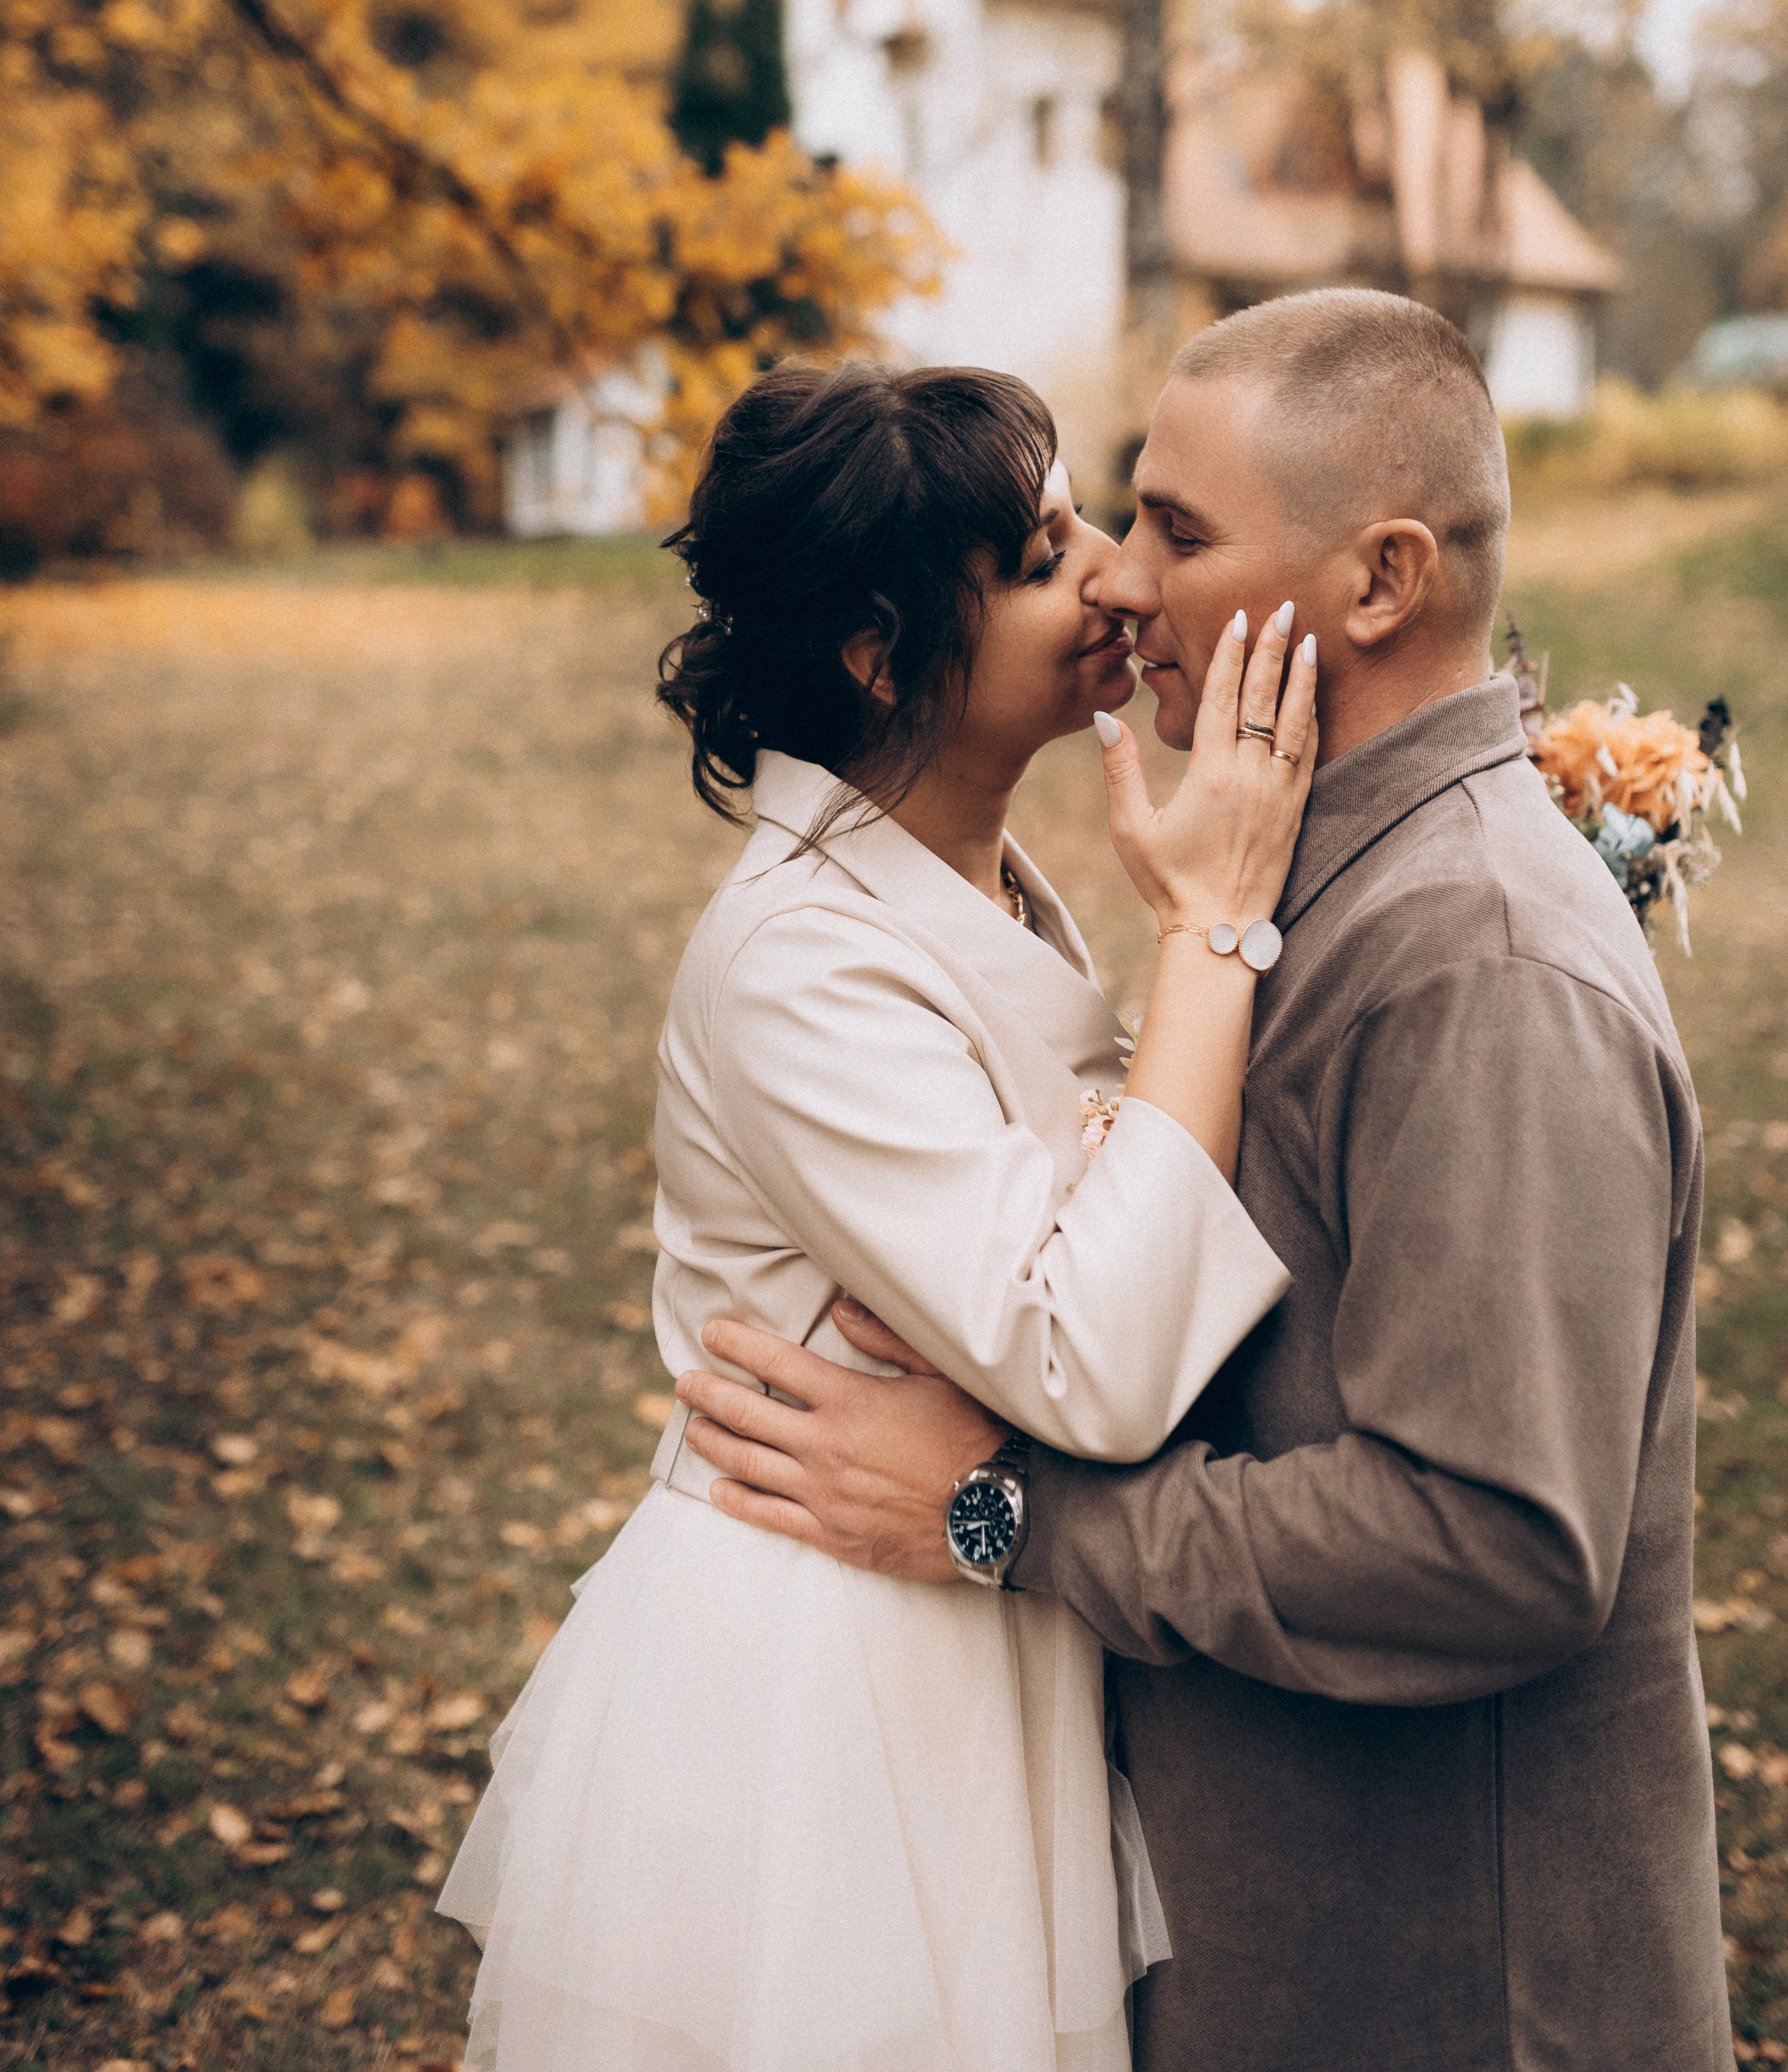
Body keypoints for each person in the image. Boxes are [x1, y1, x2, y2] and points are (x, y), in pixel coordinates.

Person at [677, 294, 1736, 2072]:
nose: (1122, 578)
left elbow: (1489, 1542)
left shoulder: (1475, 960)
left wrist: (1004, 1513)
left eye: (1173, 530)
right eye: (1099, 525)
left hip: (1451, 1988)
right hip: (1288, 1926)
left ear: (1378, 581)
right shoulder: (1286, 878)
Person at [437, 361, 1321, 2071]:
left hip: (963, 1615)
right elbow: (1089, 1360)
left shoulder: (967, 877)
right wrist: (1211, 933)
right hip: (825, 1693)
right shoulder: (797, 964)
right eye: (1040, 557)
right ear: (875, 649)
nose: (1110, 578)